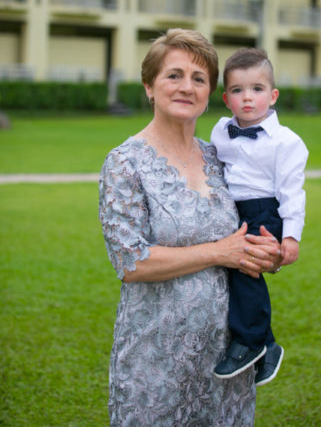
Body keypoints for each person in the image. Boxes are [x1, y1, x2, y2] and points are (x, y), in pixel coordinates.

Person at [99, 29, 281, 427]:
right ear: (149, 86)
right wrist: (218, 252)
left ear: (212, 92)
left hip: (227, 362)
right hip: (156, 357)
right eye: (174, 75)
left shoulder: (223, 157)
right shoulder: (125, 163)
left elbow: (250, 231)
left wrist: (269, 253)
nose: (187, 87)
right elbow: (131, 262)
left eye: (199, 79)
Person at [210, 48, 308, 387]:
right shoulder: (221, 131)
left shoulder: (287, 142)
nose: (247, 98)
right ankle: (268, 345)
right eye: (237, 90)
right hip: (233, 211)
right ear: (226, 98)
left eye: (257, 89)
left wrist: (290, 237)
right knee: (232, 271)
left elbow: (293, 193)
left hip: (265, 212)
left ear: (273, 94)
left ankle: (250, 342)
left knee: (245, 271)